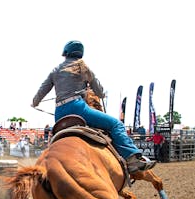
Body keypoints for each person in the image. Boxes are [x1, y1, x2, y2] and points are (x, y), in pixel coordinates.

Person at [31, 40, 156, 174]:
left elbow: (42, 90)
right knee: (116, 125)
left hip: (60, 113)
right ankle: (132, 159)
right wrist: (100, 93)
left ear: (65, 53)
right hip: (78, 108)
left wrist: (35, 102)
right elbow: (99, 92)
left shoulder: (55, 70)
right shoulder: (83, 68)